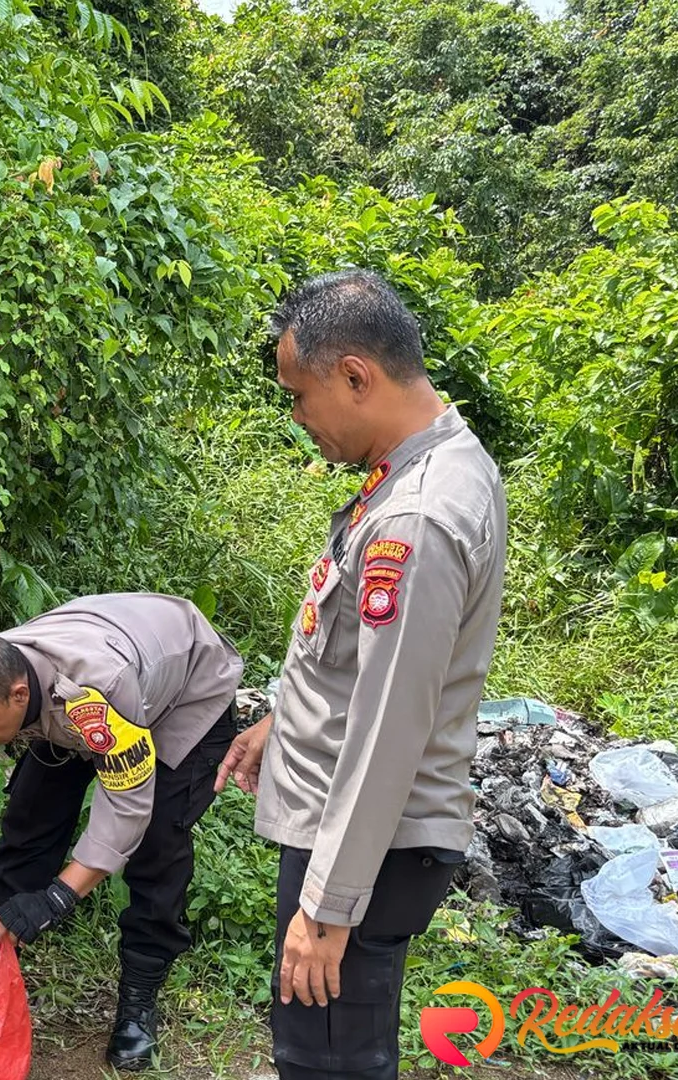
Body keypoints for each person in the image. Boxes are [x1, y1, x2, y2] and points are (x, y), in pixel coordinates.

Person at [214, 270, 507, 1080]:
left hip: (363, 849)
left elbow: (387, 730)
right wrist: (287, 714)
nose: (300, 419)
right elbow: (370, 667)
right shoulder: (438, 456)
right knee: (334, 1044)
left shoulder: (415, 520)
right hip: (360, 836)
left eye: (300, 396)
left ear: (355, 376)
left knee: (328, 1057)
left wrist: (327, 907)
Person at [0, 593, 244, 1071]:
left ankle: (138, 999)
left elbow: (127, 809)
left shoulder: (94, 691)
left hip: (184, 692)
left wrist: (57, 898)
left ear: (18, 695)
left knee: (158, 841)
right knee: (30, 818)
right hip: (99, 682)